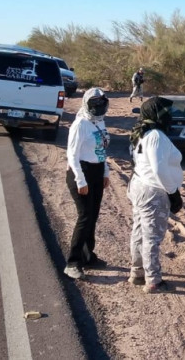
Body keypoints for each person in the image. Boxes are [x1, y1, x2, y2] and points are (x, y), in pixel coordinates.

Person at [128, 97, 184, 293]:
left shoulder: (143, 132)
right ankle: (153, 280)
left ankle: (137, 272)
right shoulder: (156, 136)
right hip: (153, 190)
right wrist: (173, 192)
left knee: (139, 231)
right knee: (151, 236)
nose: (170, 115)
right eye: (167, 111)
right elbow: (159, 169)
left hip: (140, 186)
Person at [63, 88, 112, 280]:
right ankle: (72, 263)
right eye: (95, 104)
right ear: (86, 103)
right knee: (84, 216)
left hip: (97, 171)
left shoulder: (99, 122)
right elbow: (72, 155)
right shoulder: (80, 124)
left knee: (93, 216)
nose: (99, 107)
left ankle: (88, 256)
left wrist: (105, 172)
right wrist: (80, 180)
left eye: (101, 103)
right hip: (80, 172)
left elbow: (102, 150)